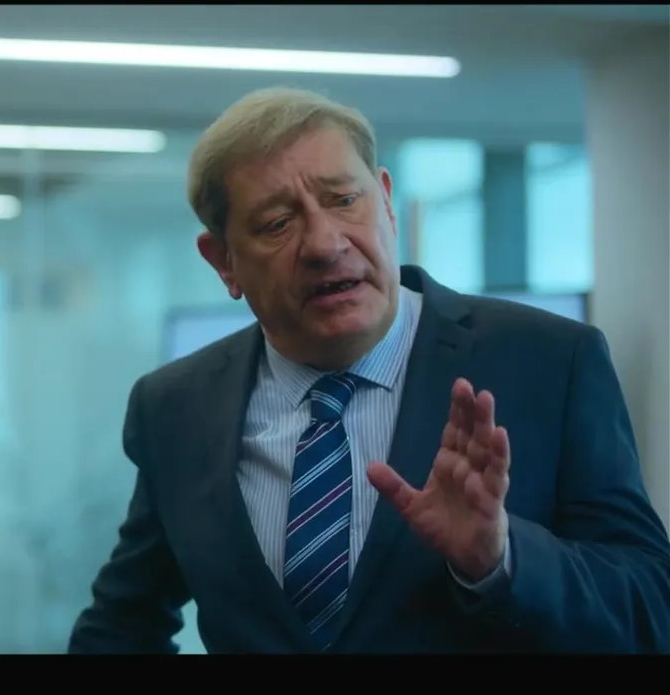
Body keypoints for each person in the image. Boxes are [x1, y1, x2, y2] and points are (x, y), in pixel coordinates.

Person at [67, 87, 670, 654]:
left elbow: (651, 608)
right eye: (277, 223)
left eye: (343, 200)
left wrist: (500, 558)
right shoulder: (176, 406)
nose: (325, 244)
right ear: (223, 260)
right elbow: (122, 625)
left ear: (385, 201)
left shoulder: (550, 361)